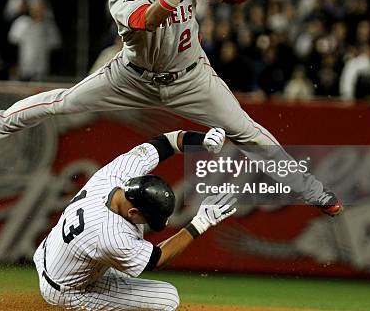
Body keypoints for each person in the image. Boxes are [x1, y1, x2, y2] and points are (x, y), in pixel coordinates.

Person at [0, 0, 342, 216]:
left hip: (192, 78)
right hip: (130, 78)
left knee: (248, 132)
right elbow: (151, 18)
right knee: (63, 102)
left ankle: (312, 190)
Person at [34, 127, 236, 310]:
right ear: (133, 213)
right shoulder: (110, 235)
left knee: (128, 266)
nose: (149, 224)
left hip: (52, 255)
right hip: (68, 291)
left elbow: (167, 142)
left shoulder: (115, 175)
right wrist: (201, 222)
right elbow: (157, 259)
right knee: (167, 299)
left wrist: (202, 139)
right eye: (148, 219)